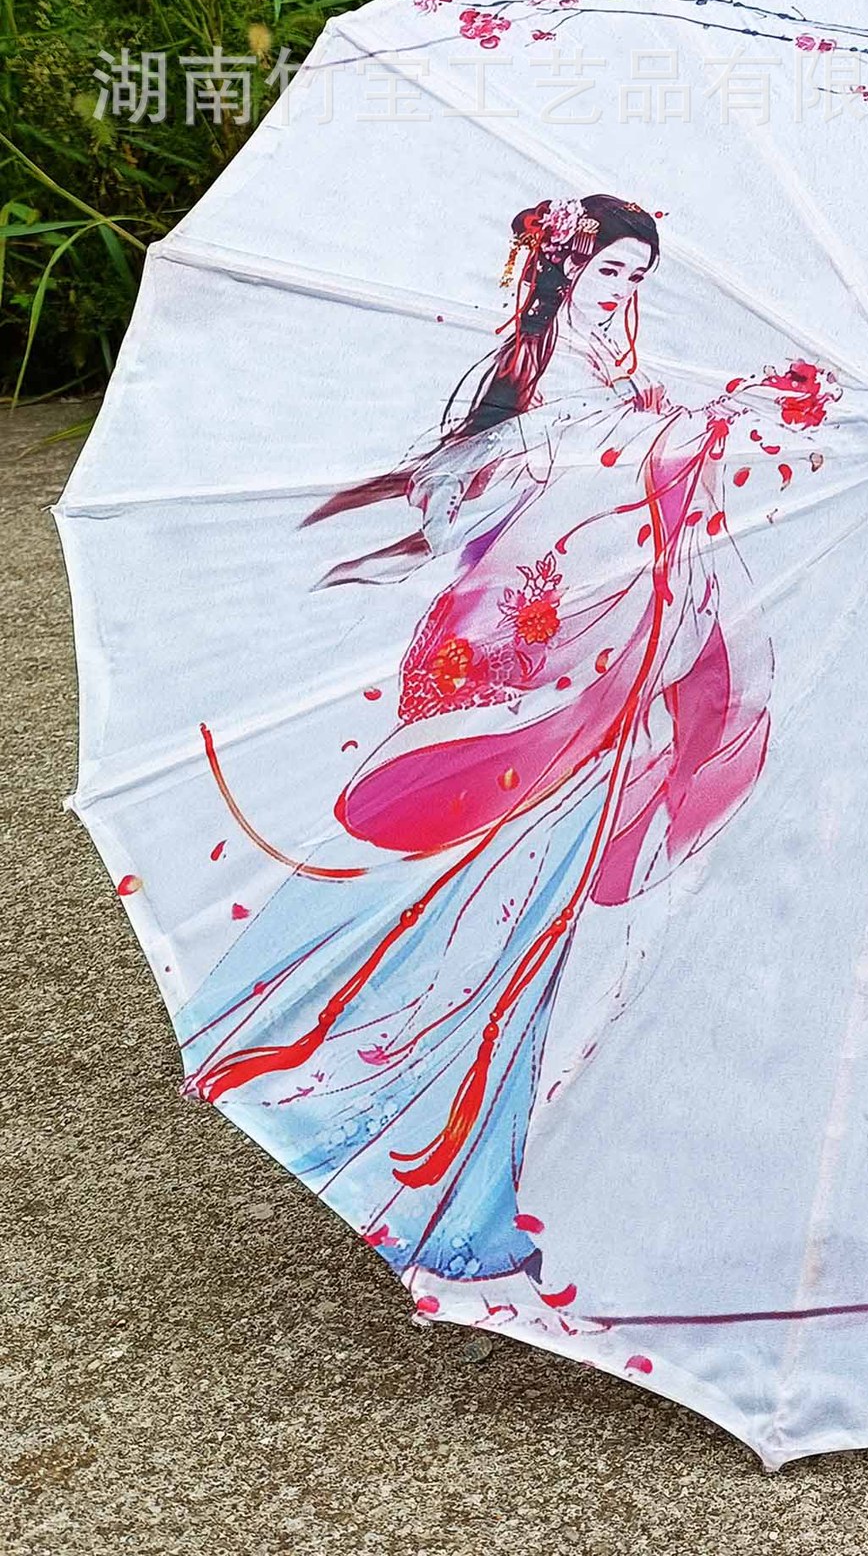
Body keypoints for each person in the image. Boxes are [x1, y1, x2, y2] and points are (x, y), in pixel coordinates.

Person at [177, 194, 834, 1295]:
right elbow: (498, 499)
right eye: (611, 272)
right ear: (564, 270)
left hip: (603, 693)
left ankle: (467, 1193)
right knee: (455, 901)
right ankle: (307, 1064)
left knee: (528, 935)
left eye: (637, 280)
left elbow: (635, 487)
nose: (622, 297)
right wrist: (691, 429)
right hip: (527, 692)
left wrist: (704, 425)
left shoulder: (623, 385)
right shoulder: (542, 382)